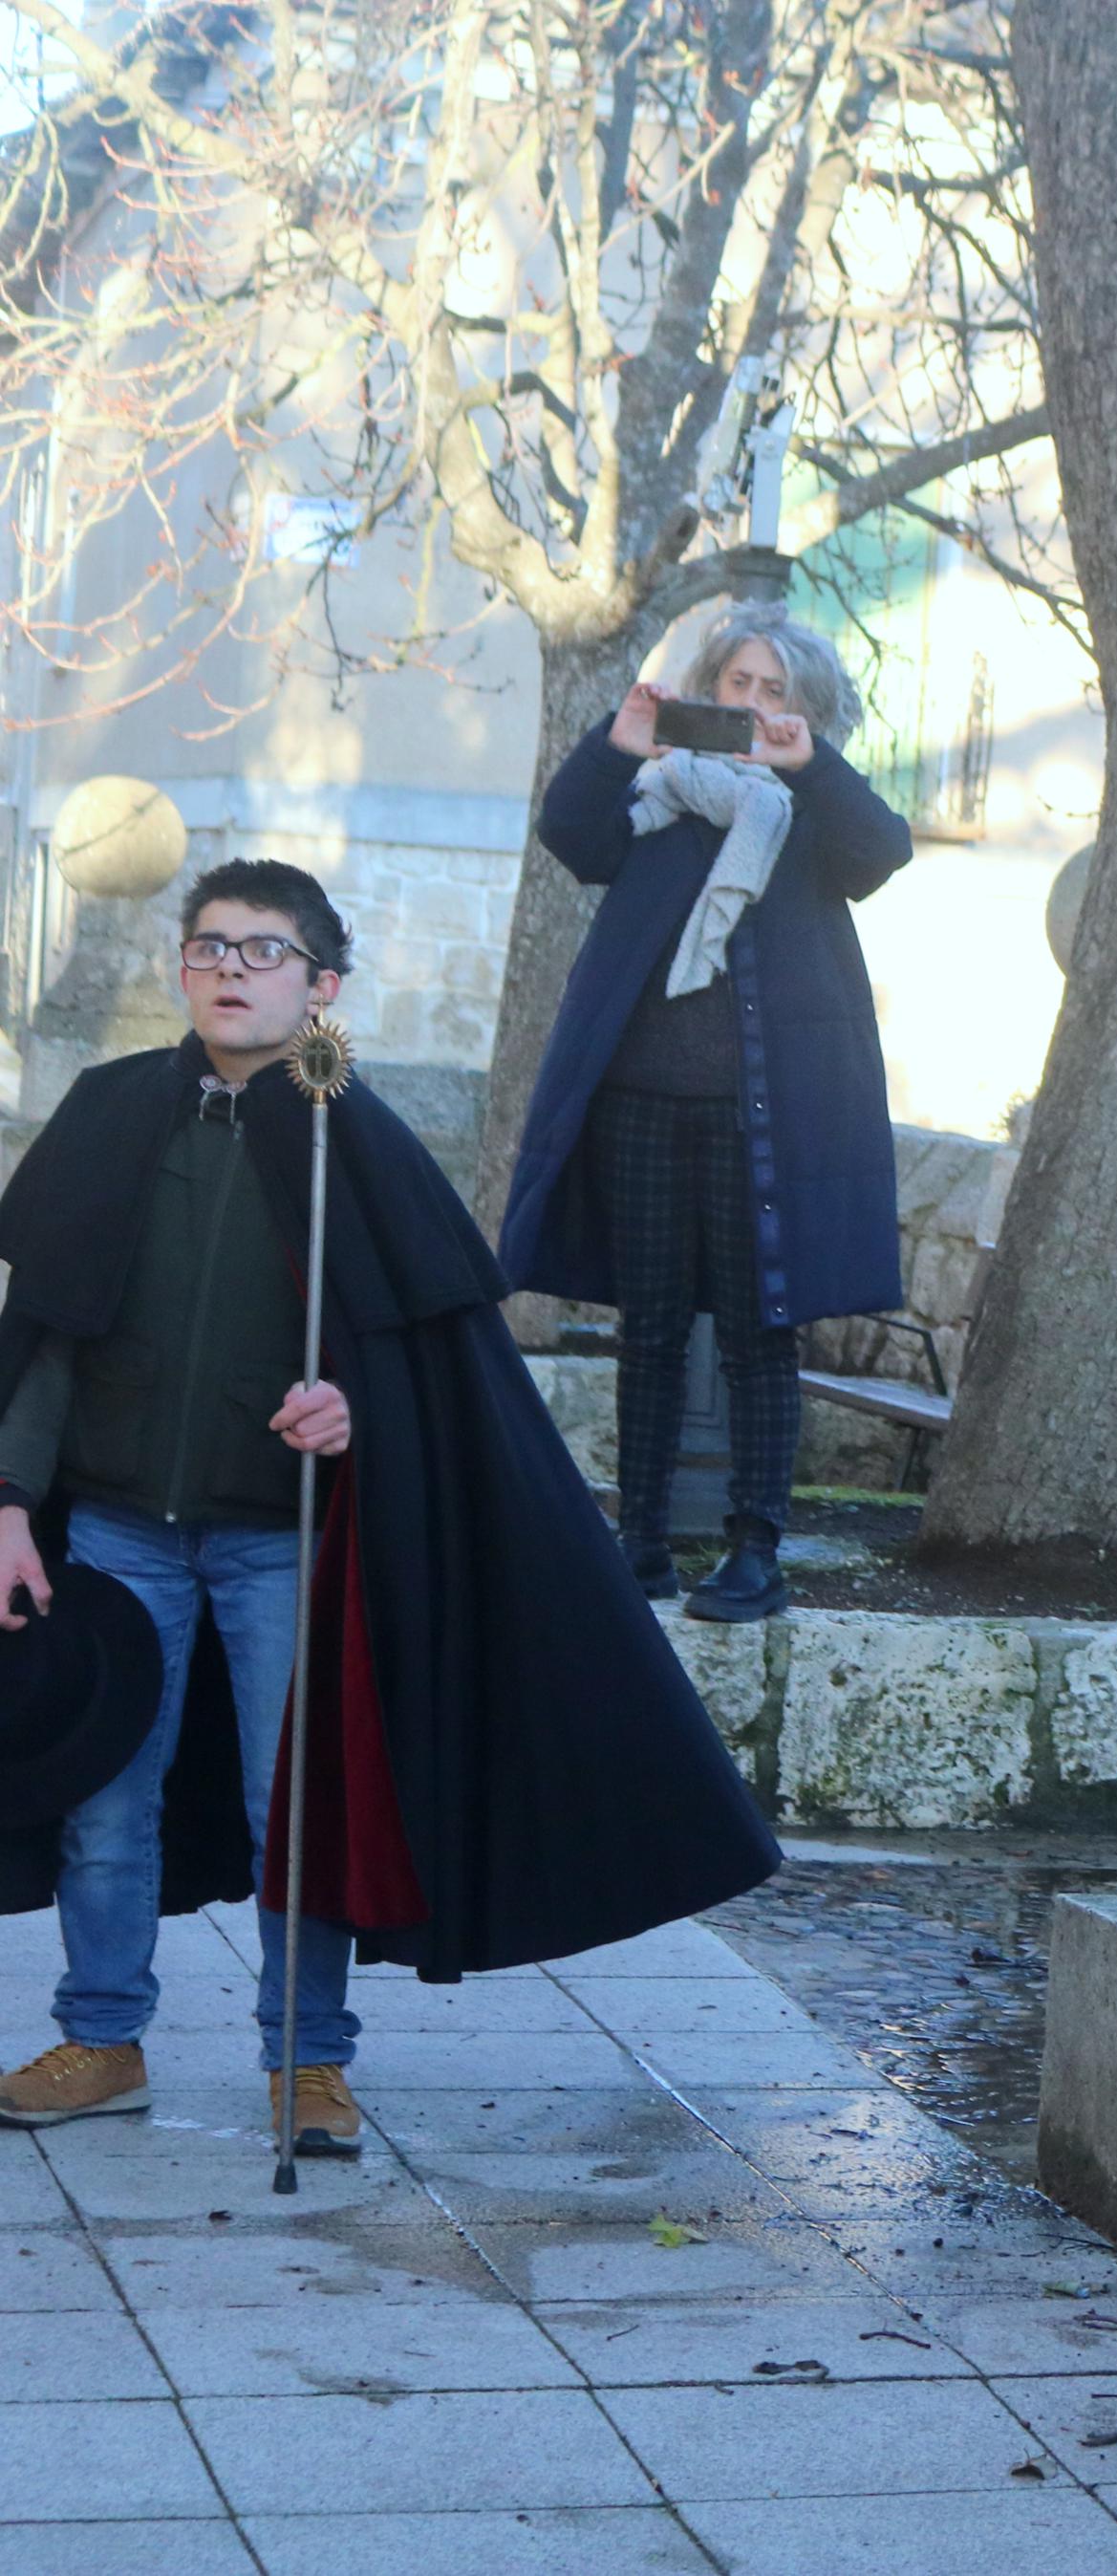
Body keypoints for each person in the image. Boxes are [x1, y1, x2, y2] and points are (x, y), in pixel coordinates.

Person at [0, 862, 777, 2143]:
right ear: (182, 966)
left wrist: (353, 1410)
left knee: (294, 1806)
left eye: (265, 949)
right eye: (210, 946)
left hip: (280, 1541)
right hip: (120, 1529)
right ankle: (100, 2036)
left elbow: (417, 1369)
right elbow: (49, 1340)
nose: (233, 968)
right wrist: (14, 1499)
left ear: (323, 985)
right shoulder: (109, 1110)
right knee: (105, 1800)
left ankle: (306, 2058)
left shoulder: (351, 1131)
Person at [498, 603, 913, 1623]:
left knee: (759, 1333)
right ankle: (638, 1540)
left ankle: (754, 1547)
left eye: (778, 691)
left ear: (808, 710)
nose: (756, 705)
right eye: (740, 685)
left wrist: (810, 766)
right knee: (646, 1329)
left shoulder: (814, 817)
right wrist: (617, 742)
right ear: (707, 690)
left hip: (760, 1122)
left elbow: (884, 849)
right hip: (639, 1107)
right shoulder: (659, 798)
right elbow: (570, 832)